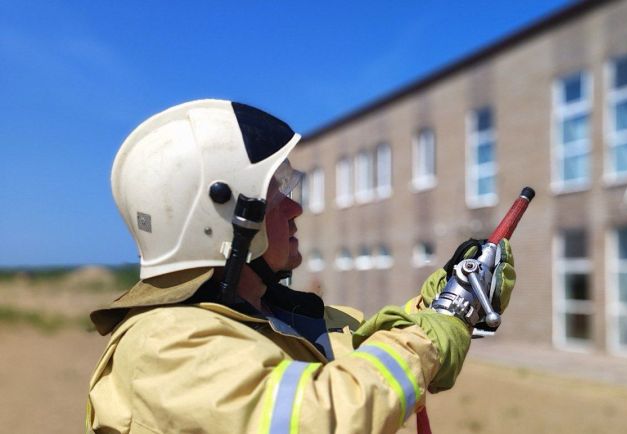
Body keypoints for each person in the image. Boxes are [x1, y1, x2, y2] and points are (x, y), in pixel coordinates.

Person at [85, 99, 516, 434]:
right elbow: (322, 416)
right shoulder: (163, 346)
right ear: (222, 224)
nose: (296, 208)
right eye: (276, 196)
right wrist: (430, 337)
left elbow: (360, 351)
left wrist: (446, 302)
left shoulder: (273, 314)